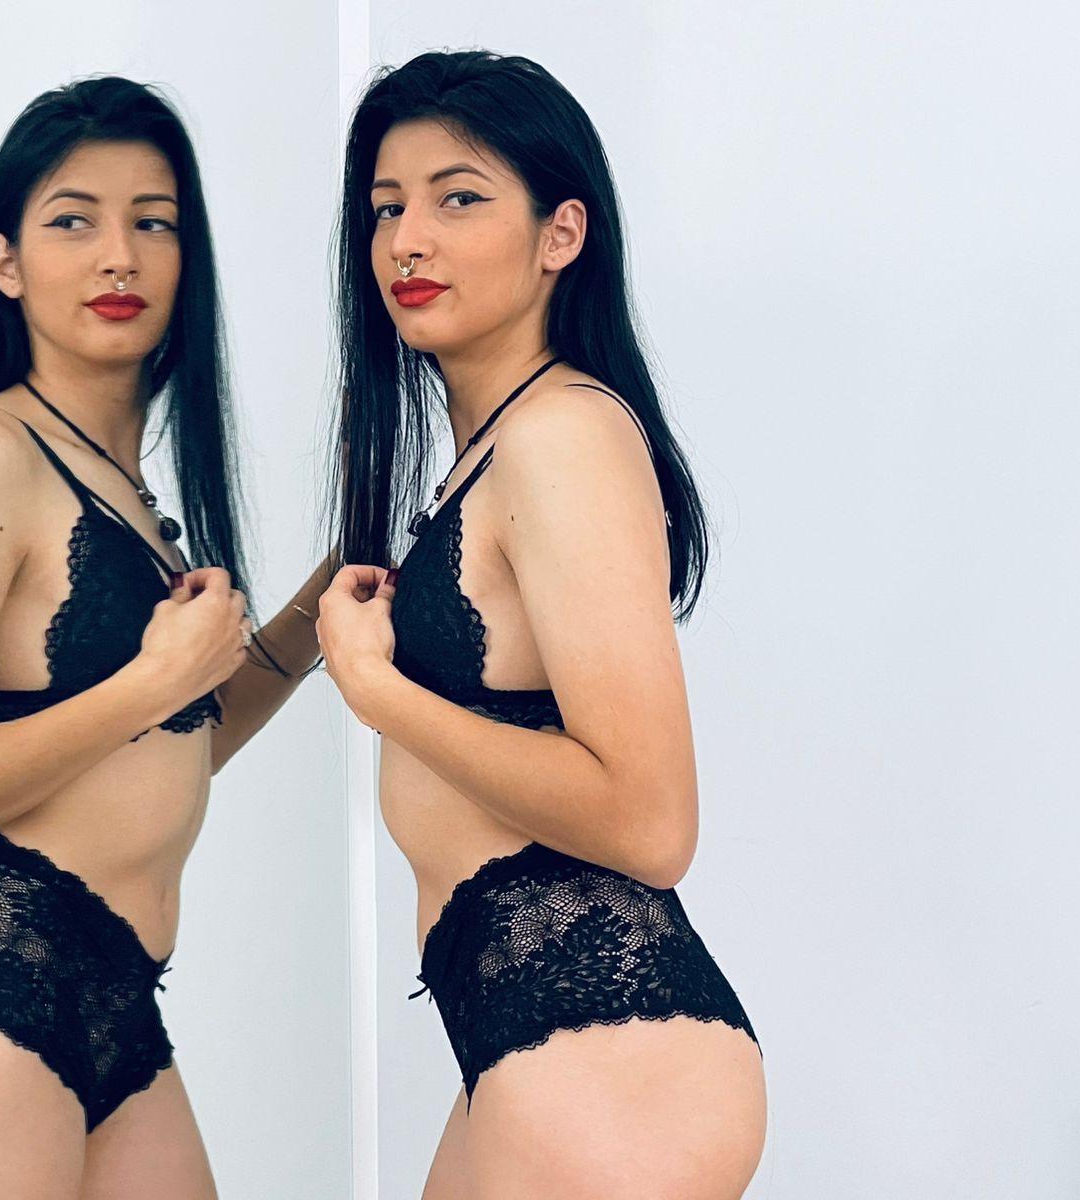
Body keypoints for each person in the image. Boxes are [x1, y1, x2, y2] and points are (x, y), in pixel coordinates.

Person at [0, 76, 331, 1199]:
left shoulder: (125, 487)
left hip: (111, 1005)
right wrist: (146, 685)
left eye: (154, 222)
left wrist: (322, 606)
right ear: (5, 263)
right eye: (73, 221)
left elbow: (170, 743)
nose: (119, 257)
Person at [315, 50, 768, 1197]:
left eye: (458, 198)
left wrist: (381, 696)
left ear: (561, 233)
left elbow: (650, 822)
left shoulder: (560, 436)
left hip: (610, 1066)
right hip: (538, 1047)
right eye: (386, 207)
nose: (407, 240)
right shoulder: (488, 456)